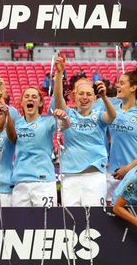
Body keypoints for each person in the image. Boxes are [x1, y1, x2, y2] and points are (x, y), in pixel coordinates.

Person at [52, 56, 116, 206]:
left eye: (89, 94)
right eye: (81, 94)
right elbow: (58, 98)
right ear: (74, 97)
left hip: (95, 176)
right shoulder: (68, 114)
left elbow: (112, 116)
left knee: (95, 219)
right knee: (71, 220)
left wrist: (105, 97)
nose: (85, 97)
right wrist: (59, 73)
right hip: (70, 176)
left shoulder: (99, 116)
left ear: (94, 98)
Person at [106, 67, 137, 202]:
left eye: (122, 83)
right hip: (113, 175)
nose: (117, 85)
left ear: (133, 88)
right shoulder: (112, 108)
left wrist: (128, 168)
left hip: (136, 176)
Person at [11, 87, 58, 207]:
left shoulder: (48, 122)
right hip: (20, 182)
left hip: (44, 182)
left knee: (46, 224)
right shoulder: (15, 124)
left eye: (34, 97)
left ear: (41, 102)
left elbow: (57, 98)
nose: (30, 99)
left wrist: (58, 75)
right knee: (18, 224)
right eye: (26, 96)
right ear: (21, 102)